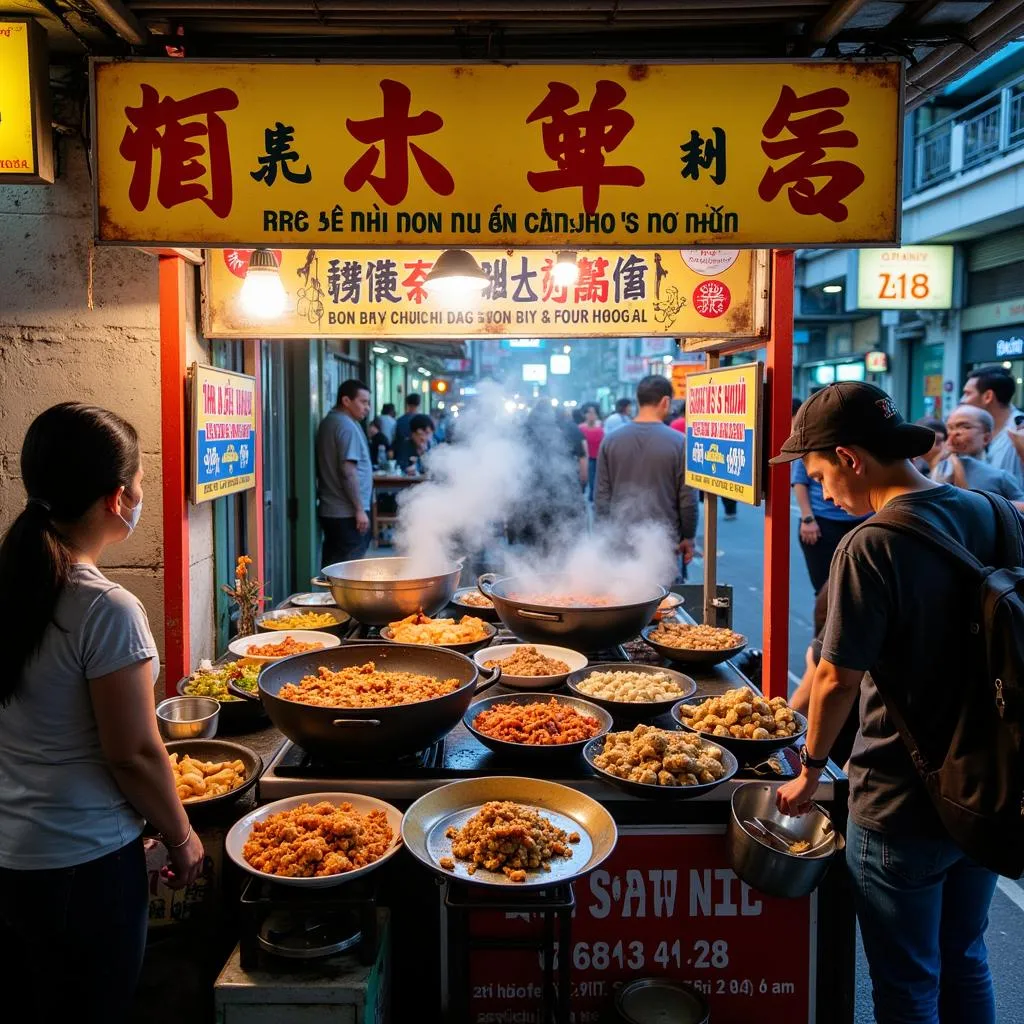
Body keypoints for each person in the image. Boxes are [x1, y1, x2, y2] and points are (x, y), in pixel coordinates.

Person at [772, 381, 1024, 1024]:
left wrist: (808, 769)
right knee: (964, 954)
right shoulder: (994, 511)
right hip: (989, 783)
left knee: (907, 981)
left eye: (821, 473)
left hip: (900, 800)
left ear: (852, 458)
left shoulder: (870, 544)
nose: (824, 492)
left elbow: (836, 680)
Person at [0, 403, 205, 1024]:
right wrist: (183, 837)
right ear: (119, 499)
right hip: (83, 869)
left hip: (14, 857)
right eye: (141, 482)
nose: (143, 495)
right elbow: (134, 753)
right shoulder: (106, 608)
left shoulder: (14, 582)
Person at [595, 375, 698, 580]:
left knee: (622, 601)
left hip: (619, 541)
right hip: (663, 545)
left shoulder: (610, 441)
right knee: (663, 605)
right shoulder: (680, 442)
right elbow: (687, 498)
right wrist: (688, 535)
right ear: (665, 401)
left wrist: (604, 537)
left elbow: (601, 498)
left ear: (638, 399)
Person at [791, 396, 870, 595]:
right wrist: (808, 518)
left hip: (863, 522)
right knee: (827, 591)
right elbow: (799, 482)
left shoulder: (863, 447)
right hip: (824, 523)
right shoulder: (811, 442)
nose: (826, 493)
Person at [507, 401, 586, 553]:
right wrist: (581, 486)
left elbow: (513, 466)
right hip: (562, 495)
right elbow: (582, 457)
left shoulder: (522, 431)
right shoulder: (568, 428)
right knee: (560, 542)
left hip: (530, 495)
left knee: (533, 547)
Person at [316, 379, 373, 567]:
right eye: (363, 402)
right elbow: (348, 471)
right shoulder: (346, 426)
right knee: (351, 570)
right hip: (346, 513)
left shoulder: (330, 421)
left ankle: (327, 597)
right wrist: (359, 509)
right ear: (346, 401)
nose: (367, 408)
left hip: (332, 510)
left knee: (333, 567)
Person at [933, 405, 1024, 505]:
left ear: (986, 438)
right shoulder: (939, 468)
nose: (954, 433)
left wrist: (993, 506)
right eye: (950, 428)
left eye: (965, 427)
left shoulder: (1000, 477)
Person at [961, 365, 1024, 486]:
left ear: (988, 397)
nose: (963, 400)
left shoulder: (1020, 431)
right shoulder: (978, 431)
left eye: (968, 394)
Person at [577, 404, 605, 502]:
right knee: (585, 481)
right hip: (585, 459)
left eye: (593, 412)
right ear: (585, 414)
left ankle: (593, 501)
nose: (591, 415)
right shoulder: (580, 428)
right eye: (589, 412)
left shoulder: (601, 427)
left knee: (596, 483)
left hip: (598, 458)